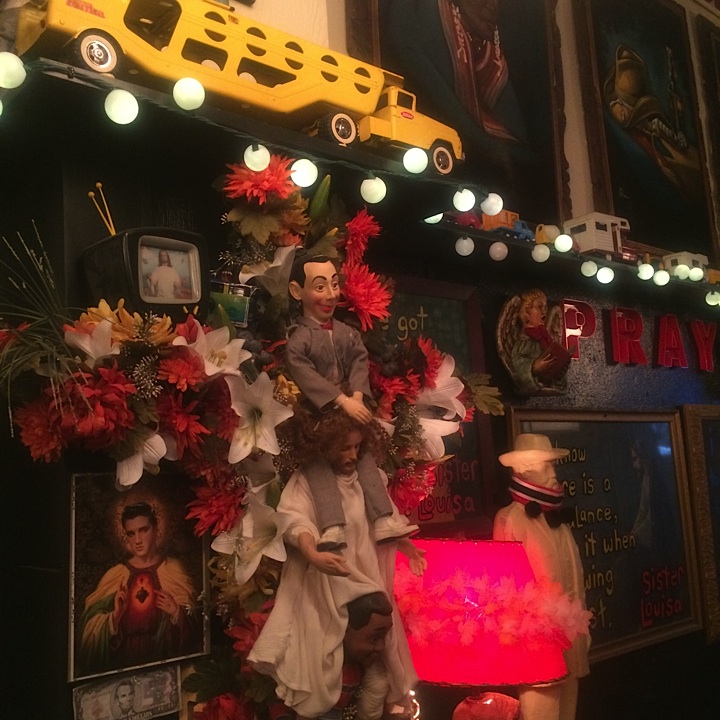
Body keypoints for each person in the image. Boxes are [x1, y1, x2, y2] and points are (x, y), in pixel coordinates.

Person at [248, 418, 425, 719]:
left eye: (357, 447)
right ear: (326, 447)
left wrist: (407, 547)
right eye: (344, 448)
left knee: (379, 659)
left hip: (366, 574)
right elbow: (294, 521)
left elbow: (385, 522)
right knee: (325, 657)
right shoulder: (308, 481)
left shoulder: (369, 479)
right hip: (328, 579)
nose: (353, 455)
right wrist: (313, 554)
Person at [284, 252, 417, 551]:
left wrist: (357, 394)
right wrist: (342, 401)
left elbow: (359, 361)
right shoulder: (299, 339)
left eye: (334, 284)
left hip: (351, 407)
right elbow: (304, 373)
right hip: (317, 414)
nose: (331, 294)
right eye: (320, 287)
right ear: (297, 291)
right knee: (317, 464)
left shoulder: (348, 334)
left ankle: (383, 519)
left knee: (364, 454)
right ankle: (332, 526)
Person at [493, 434, 590, 720]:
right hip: (537, 647)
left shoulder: (560, 522)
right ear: (524, 469)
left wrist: (583, 631)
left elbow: (575, 580)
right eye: (546, 466)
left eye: (553, 466)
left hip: (571, 640)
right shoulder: (510, 519)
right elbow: (505, 590)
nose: (553, 473)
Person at [78, 502, 200, 674]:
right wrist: (114, 617)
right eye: (131, 533)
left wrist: (176, 612)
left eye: (143, 530)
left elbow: (198, 628)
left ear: (156, 530)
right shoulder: (115, 575)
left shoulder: (173, 570)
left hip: (164, 667)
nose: (137, 540)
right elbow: (88, 636)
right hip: (122, 667)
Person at [269, 591, 403, 720]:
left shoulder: (360, 673)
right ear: (345, 630)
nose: (381, 646)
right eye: (374, 638)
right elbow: (281, 703)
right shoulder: (311, 668)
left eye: (384, 637)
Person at [508, 289, 570, 396]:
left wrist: (559, 370)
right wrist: (534, 367)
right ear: (526, 311)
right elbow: (517, 365)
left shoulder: (545, 338)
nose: (544, 311)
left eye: (545, 308)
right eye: (539, 307)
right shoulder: (523, 341)